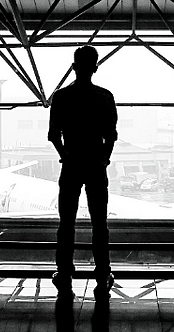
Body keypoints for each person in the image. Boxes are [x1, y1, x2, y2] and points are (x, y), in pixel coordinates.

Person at [47, 45, 118, 299]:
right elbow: (111, 135)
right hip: (95, 166)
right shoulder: (104, 97)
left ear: (74, 67)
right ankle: (102, 276)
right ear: (95, 67)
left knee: (66, 224)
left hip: (72, 164)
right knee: (100, 224)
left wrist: (65, 155)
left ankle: (64, 274)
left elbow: (54, 135)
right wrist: (104, 159)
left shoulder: (62, 97)